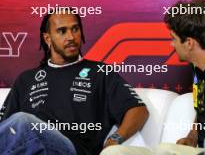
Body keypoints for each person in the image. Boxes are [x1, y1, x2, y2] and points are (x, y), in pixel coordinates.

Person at [100, 0, 205, 155]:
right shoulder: (198, 68)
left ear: (189, 43)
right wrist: (192, 136)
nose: (172, 45)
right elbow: (203, 112)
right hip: (201, 150)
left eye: (174, 39)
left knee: (164, 150)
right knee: (115, 152)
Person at [0, 8, 149, 155]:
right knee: (20, 124)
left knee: (23, 121)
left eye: (75, 29)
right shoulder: (25, 79)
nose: (71, 36)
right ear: (47, 39)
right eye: (62, 31)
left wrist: (113, 140)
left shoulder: (100, 72)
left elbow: (138, 110)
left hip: (72, 149)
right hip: (29, 147)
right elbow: (6, 127)